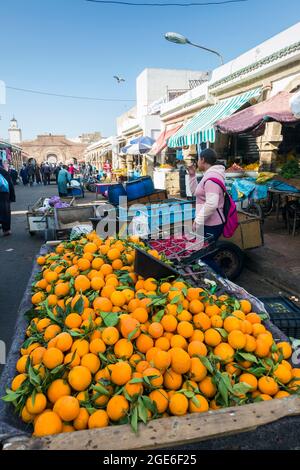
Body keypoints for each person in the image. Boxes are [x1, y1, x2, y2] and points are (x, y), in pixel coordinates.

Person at [188, 148, 226, 274]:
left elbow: (211, 204)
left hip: (212, 224)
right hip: (207, 223)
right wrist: (192, 175)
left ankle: (224, 283)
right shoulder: (208, 175)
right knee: (202, 255)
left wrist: (197, 221)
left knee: (204, 257)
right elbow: (195, 192)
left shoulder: (211, 177)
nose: (197, 161)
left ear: (202, 160)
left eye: (198, 159)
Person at [0, 160, 16, 236]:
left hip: (4, 194)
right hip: (4, 194)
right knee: (5, 212)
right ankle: (6, 230)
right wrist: (12, 197)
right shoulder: (4, 173)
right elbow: (10, 185)